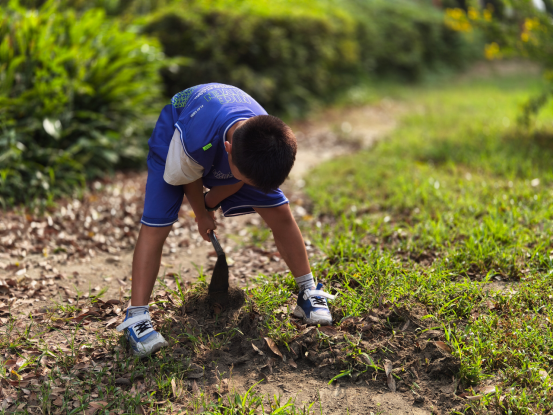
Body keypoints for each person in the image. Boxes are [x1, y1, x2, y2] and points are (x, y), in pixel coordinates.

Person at [116, 83, 335, 357]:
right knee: (156, 224)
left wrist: (213, 200)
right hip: (177, 134)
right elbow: (187, 176)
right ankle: (136, 318)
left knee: (280, 211)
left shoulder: (266, 139)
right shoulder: (194, 139)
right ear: (228, 149)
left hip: (224, 143)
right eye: (243, 178)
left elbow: (241, 178)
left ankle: (308, 291)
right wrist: (201, 213)